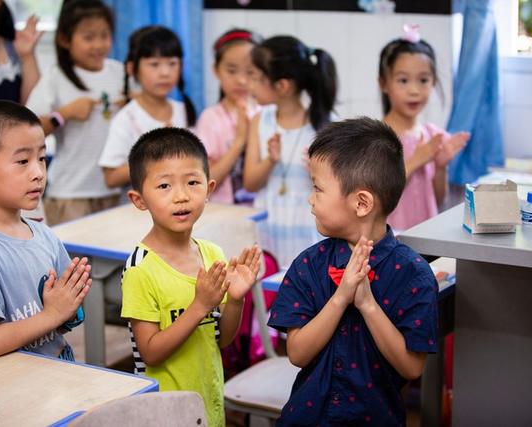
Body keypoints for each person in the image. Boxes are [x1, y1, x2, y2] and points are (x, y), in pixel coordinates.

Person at [268, 117, 438, 426]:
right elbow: (297, 354)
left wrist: (367, 305)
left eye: (318, 188)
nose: (310, 197)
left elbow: (412, 368)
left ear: (361, 203)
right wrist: (340, 299)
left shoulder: (414, 275)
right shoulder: (308, 266)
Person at [121, 127, 261, 427]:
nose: (182, 196)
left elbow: (222, 339)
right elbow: (151, 353)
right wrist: (199, 305)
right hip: (162, 412)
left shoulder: (211, 254)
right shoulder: (140, 267)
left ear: (209, 189)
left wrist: (235, 300)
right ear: (139, 199)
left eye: (192, 182)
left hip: (207, 400)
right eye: (164, 186)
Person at [0, 100, 91, 360]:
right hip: (6, 389)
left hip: (54, 375)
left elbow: (63, 318)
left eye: (42, 159)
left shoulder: (43, 234)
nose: (38, 173)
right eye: (23, 161)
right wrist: (52, 314)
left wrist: (70, 306)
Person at [243, 35, 338, 269]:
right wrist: (270, 161)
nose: (248, 84)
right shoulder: (259, 120)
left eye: (255, 77)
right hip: (267, 228)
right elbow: (249, 183)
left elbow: (338, 189)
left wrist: (317, 171)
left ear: (282, 86)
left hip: (306, 229)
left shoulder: (326, 126)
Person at [26, 0, 124, 225]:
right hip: (70, 193)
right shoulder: (56, 77)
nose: (98, 44)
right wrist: (65, 113)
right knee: (72, 260)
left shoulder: (120, 73)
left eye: (104, 35)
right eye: (89, 37)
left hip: (113, 190)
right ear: (64, 40)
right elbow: (29, 130)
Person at [379, 25, 469, 231]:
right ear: (384, 83)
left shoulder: (432, 136)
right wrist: (416, 160)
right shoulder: (375, 138)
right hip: (389, 245)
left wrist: (440, 166)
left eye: (423, 80)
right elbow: (377, 199)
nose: (414, 90)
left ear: (433, 81)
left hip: (426, 240)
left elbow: (438, 201)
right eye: (403, 80)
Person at [98, 25, 196, 192]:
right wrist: (156, 157)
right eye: (154, 64)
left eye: (172, 63)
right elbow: (111, 177)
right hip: (138, 213)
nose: (165, 72)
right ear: (132, 69)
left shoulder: (183, 111)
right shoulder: (127, 119)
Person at [196, 28, 260, 205]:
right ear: (216, 70)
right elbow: (204, 182)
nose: (241, 80)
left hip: (262, 213)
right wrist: (239, 141)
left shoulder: (267, 113)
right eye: (232, 71)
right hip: (223, 213)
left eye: (250, 72)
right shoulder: (211, 118)